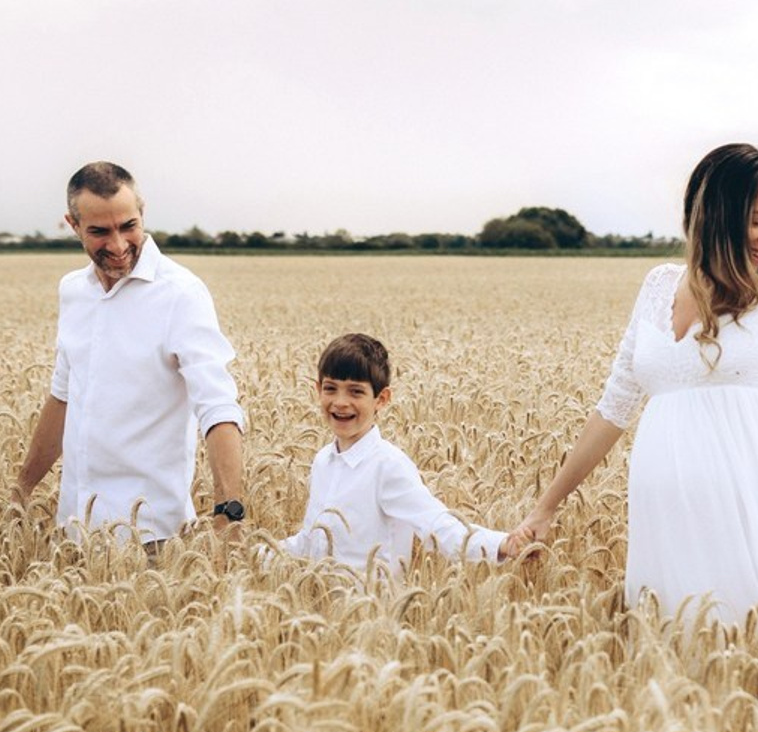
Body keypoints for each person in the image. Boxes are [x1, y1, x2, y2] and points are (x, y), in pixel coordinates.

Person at [513, 143, 758, 652]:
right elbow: (613, 407)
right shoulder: (657, 285)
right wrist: (544, 510)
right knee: (678, 663)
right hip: (666, 521)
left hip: (756, 510)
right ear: (716, 213)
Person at [12, 162, 245, 544]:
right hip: (72, 529)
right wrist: (21, 490)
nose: (118, 245)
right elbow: (63, 397)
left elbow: (218, 409)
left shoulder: (181, 294)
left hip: (151, 538)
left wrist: (229, 514)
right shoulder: (73, 291)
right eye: (100, 232)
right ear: (73, 226)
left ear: (143, 212)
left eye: (128, 226)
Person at [272, 333, 518, 579]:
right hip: (321, 608)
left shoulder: (388, 466)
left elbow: (437, 527)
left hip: (374, 611)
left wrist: (503, 544)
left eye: (355, 392)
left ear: (382, 399)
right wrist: (256, 551)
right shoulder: (323, 461)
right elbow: (311, 540)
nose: (340, 402)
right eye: (331, 389)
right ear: (318, 390)